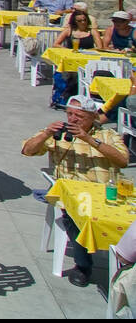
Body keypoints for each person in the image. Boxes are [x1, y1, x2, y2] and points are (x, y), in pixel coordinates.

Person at [21, 95, 130, 286]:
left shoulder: (107, 135)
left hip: (105, 191)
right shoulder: (59, 134)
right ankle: (83, 265)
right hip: (72, 194)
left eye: (79, 116)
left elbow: (123, 160)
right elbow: (27, 150)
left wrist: (89, 139)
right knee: (73, 216)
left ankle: (127, 257)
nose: (73, 119)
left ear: (92, 117)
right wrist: (46, 133)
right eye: (70, 114)